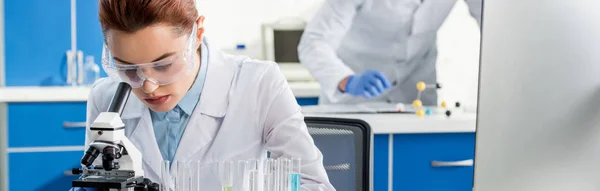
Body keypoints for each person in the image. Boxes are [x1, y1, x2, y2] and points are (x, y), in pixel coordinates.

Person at [71, 0, 334, 190]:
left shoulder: (258, 84)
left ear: (197, 33)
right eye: (129, 69)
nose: (148, 86)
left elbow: (313, 185)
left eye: (163, 65)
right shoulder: (106, 99)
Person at [298, 0, 481, 105]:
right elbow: (314, 43)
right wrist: (347, 80)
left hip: (416, 99)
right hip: (354, 101)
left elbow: (494, 22)